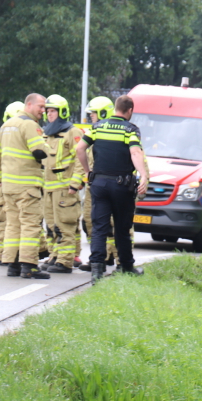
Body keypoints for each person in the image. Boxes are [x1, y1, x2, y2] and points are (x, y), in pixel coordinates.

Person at [75, 95, 148, 284]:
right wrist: (144, 175)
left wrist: (87, 171)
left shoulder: (97, 127)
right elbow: (135, 152)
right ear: (130, 111)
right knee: (122, 229)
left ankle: (97, 270)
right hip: (121, 186)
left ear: (115, 108)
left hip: (98, 184)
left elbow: (80, 149)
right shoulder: (130, 129)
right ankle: (126, 266)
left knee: (99, 228)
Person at [0, 93, 51, 279]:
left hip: (8, 186)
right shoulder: (30, 125)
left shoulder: (6, 126)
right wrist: (47, 147)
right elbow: (39, 151)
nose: (43, 111)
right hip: (27, 186)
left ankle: (12, 265)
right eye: (41, 107)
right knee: (30, 225)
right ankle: (29, 266)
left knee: (13, 225)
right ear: (28, 105)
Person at [40, 94, 81, 274]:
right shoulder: (46, 134)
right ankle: (55, 256)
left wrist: (75, 182)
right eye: (47, 111)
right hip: (48, 188)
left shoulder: (73, 132)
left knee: (65, 225)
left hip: (65, 189)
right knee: (51, 226)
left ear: (62, 112)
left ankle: (65, 261)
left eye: (53, 111)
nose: (49, 114)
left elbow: (81, 158)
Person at [0, 101, 24, 265]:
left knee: (7, 221)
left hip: (3, 184)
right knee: (13, 221)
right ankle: (5, 254)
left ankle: (3, 255)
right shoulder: (22, 132)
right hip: (11, 184)